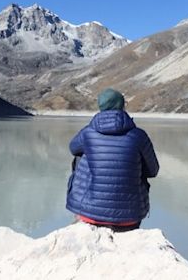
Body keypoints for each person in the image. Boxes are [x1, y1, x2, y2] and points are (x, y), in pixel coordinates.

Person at [65, 88, 159, 230]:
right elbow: (153, 170)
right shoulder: (138, 135)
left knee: (80, 155)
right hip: (129, 218)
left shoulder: (87, 133)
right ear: (122, 106)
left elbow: (72, 148)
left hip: (89, 215)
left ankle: (84, 207)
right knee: (137, 163)